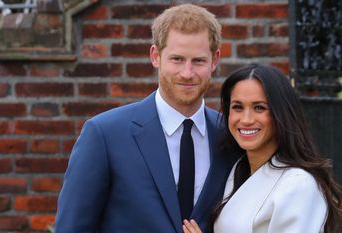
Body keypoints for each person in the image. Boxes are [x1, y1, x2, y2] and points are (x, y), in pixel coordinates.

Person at [55, 4, 237, 233]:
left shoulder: (230, 135)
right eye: (177, 59)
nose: (187, 73)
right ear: (155, 56)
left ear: (215, 60)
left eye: (198, 61)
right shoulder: (105, 134)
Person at [183, 63, 342, 233]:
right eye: (238, 107)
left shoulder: (298, 185)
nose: (246, 119)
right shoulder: (237, 170)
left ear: (280, 113)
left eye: (259, 108)